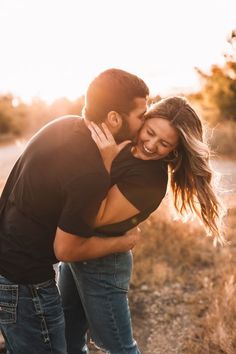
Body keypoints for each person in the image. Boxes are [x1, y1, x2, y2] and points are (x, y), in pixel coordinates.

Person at [59, 96, 225, 354]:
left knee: (118, 346)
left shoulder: (150, 181)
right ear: (143, 121)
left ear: (175, 150)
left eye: (164, 144)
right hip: (77, 249)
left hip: (104, 263)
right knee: (68, 334)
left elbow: (94, 216)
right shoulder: (124, 142)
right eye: (149, 133)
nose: (150, 145)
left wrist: (105, 159)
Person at [0, 68, 150, 354]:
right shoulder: (89, 173)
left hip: (8, 271)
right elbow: (66, 250)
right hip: (26, 285)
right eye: (142, 114)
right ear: (114, 119)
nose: (147, 119)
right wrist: (123, 242)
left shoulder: (63, 124)